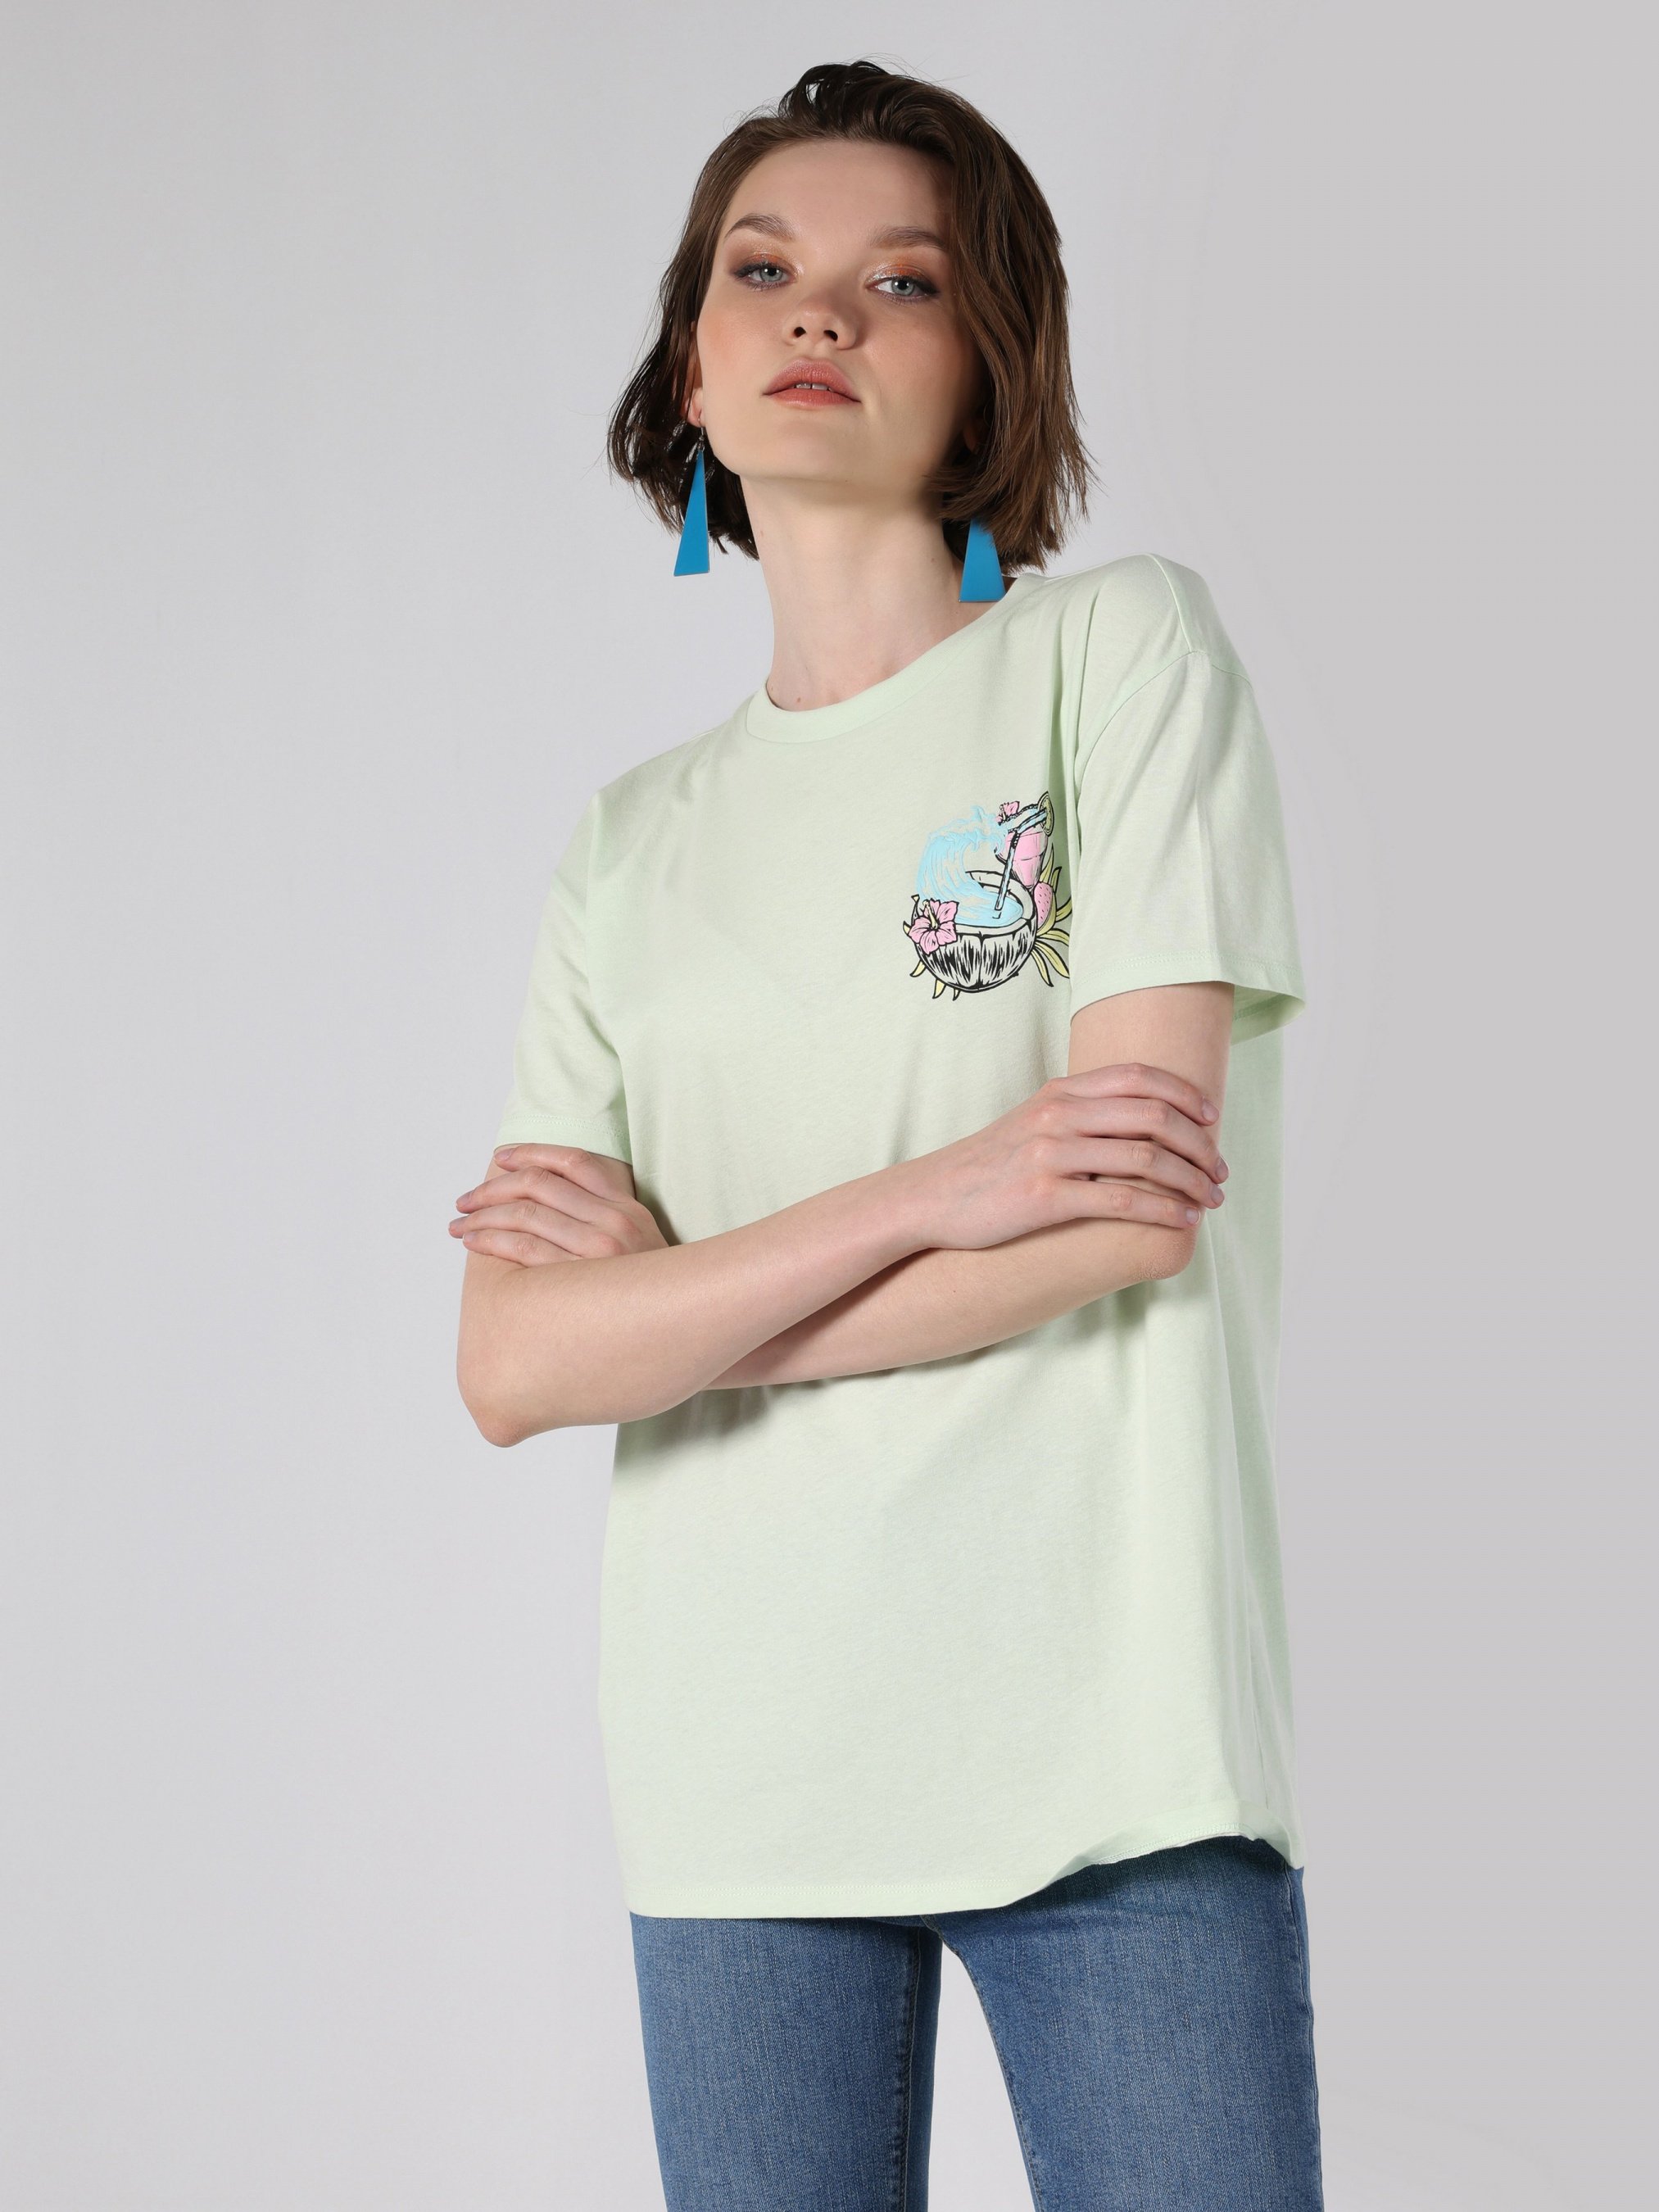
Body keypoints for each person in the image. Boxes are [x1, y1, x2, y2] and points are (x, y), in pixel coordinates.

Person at [452, 57, 1324, 2212]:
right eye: (761, 271)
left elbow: (1122, 1215)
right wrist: (952, 1185)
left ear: (991, 368)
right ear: (692, 370)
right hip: (738, 1765)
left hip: (1109, 1742)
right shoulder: (629, 847)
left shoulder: (1117, 659)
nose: (820, 313)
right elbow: (512, 1366)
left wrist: (665, 1315)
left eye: (901, 279)